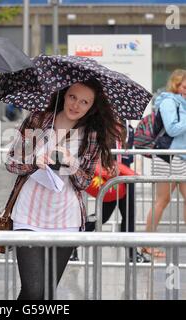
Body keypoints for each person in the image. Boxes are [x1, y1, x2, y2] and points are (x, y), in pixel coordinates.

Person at [5, 79, 124, 300]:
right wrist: (34, 161)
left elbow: (85, 182)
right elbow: (12, 162)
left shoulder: (91, 134)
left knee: (47, 292)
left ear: (92, 106)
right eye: (72, 97)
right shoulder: (38, 120)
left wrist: (72, 164)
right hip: (28, 214)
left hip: (66, 218)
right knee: (34, 290)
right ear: (63, 94)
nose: (76, 105)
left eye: (84, 102)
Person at [84, 124, 150, 263]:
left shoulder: (129, 129)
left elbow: (130, 156)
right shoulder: (101, 128)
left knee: (129, 216)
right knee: (102, 216)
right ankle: (71, 244)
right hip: (109, 180)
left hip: (126, 179)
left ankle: (132, 253)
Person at [142, 69, 186, 258]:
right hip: (168, 157)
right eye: (184, 85)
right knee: (162, 200)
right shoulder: (169, 101)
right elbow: (173, 129)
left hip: (182, 157)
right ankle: (147, 244)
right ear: (176, 85)